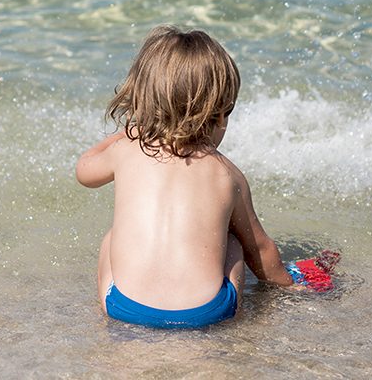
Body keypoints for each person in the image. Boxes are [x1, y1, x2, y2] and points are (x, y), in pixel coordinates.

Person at [75, 25, 293, 329]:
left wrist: (127, 134)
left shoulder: (125, 151)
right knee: (234, 243)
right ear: (218, 115)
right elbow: (261, 250)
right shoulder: (227, 174)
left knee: (111, 239)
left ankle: (108, 321)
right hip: (205, 314)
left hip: (125, 308)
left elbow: (84, 171)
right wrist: (292, 285)